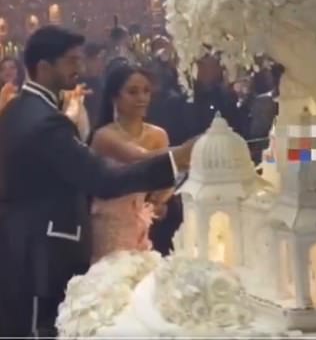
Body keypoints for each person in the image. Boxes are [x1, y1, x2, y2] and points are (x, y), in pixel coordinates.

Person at [0, 26, 196, 338]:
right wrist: (178, 159)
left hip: (27, 243)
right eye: (70, 61)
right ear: (43, 67)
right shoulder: (44, 120)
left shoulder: (22, 109)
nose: (79, 69)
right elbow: (100, 178)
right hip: (41, 250)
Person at [90, 64, 171, 261]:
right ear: (114, 97)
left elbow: (168, 177)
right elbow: (139, 159)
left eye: (146, 91)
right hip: (108, 224)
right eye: (132, 92)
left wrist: (158, 202)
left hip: (140, 224)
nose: (142, 98)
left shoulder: (158, 135)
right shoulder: (104, 136)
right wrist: (191, 149)